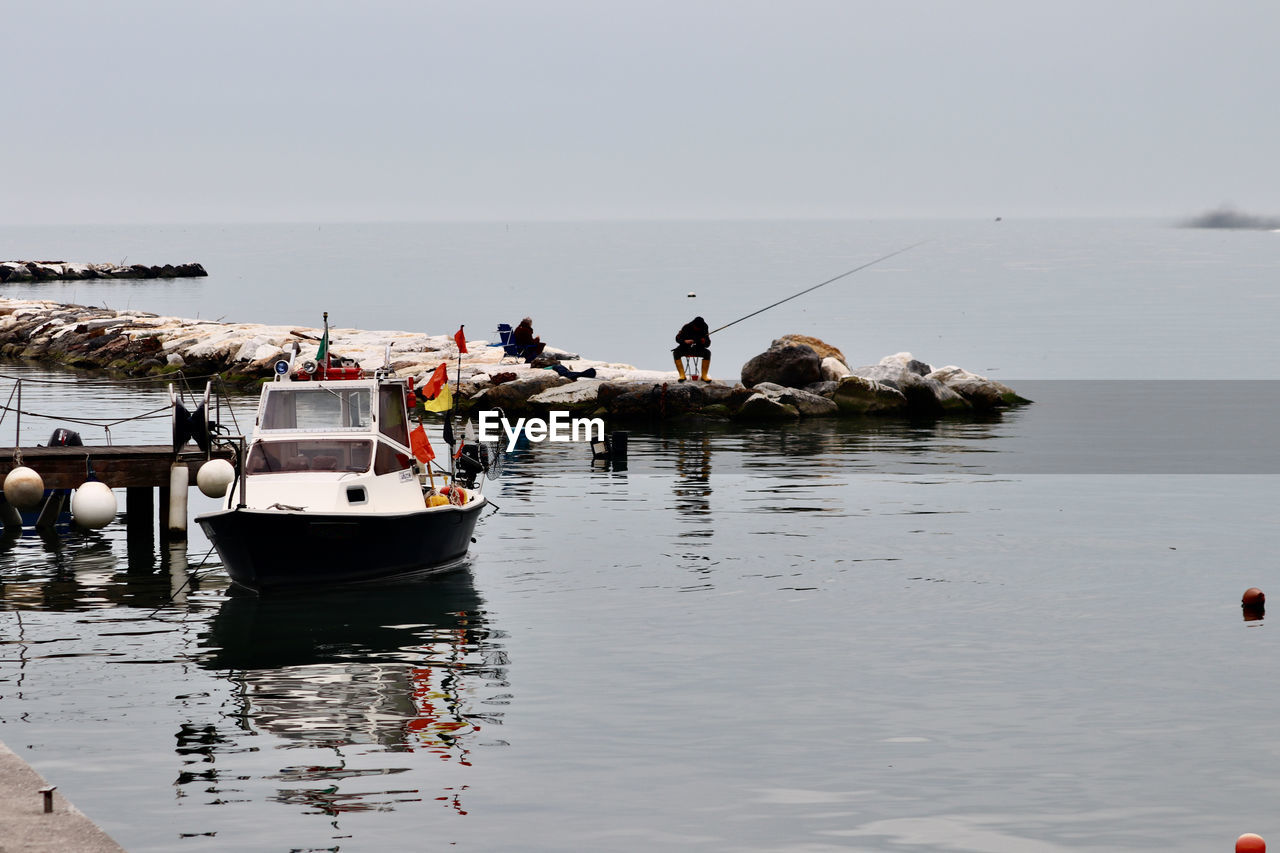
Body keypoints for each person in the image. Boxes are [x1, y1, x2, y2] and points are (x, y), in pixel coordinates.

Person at [672, 316, 711, 382]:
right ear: (693, 325)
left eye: (699, 328)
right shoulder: (686, 327)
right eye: (696, 327)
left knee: (707, 353)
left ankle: (704, 376)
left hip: (698, 349)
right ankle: (682, 376)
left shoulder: (705, 327)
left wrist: (704, 341)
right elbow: (677, 338)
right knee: (676, 352)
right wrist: (685, 341)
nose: (698, 329)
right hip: (685, 348)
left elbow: (708, 344)